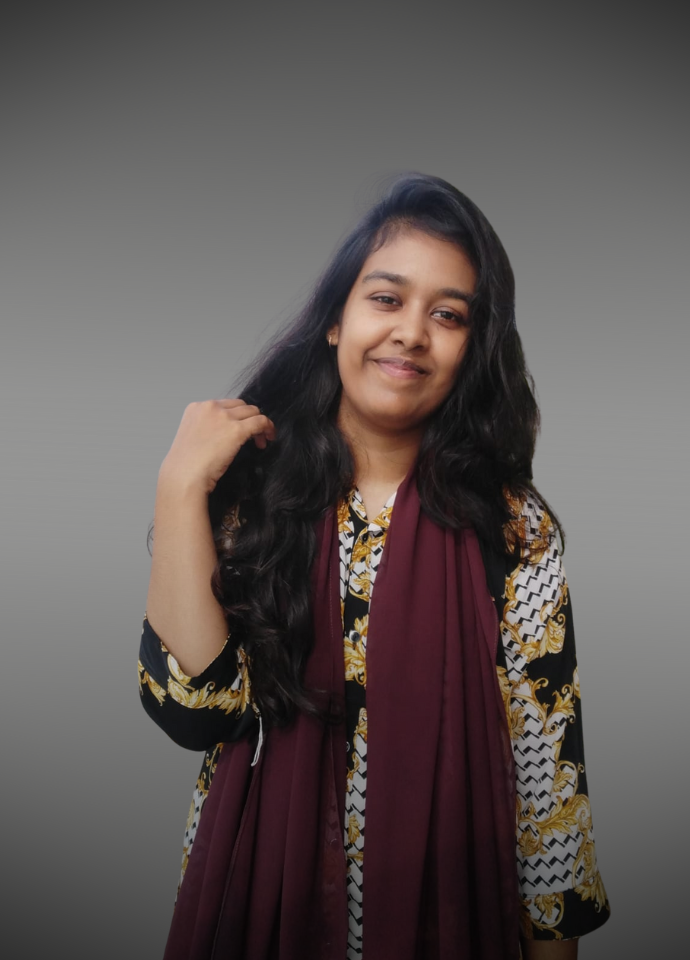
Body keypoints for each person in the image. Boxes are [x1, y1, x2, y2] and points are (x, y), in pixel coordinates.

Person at [138, 172, 611, 960]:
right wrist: (180, 483)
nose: (412, 333)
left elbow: (548, 793)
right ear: (336, 320)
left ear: (472, 349)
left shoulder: (510, 526)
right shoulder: (250, 494)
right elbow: (198, 713)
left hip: (451, 915)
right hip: (260, 908)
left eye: (448, 315)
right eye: (387, 299)